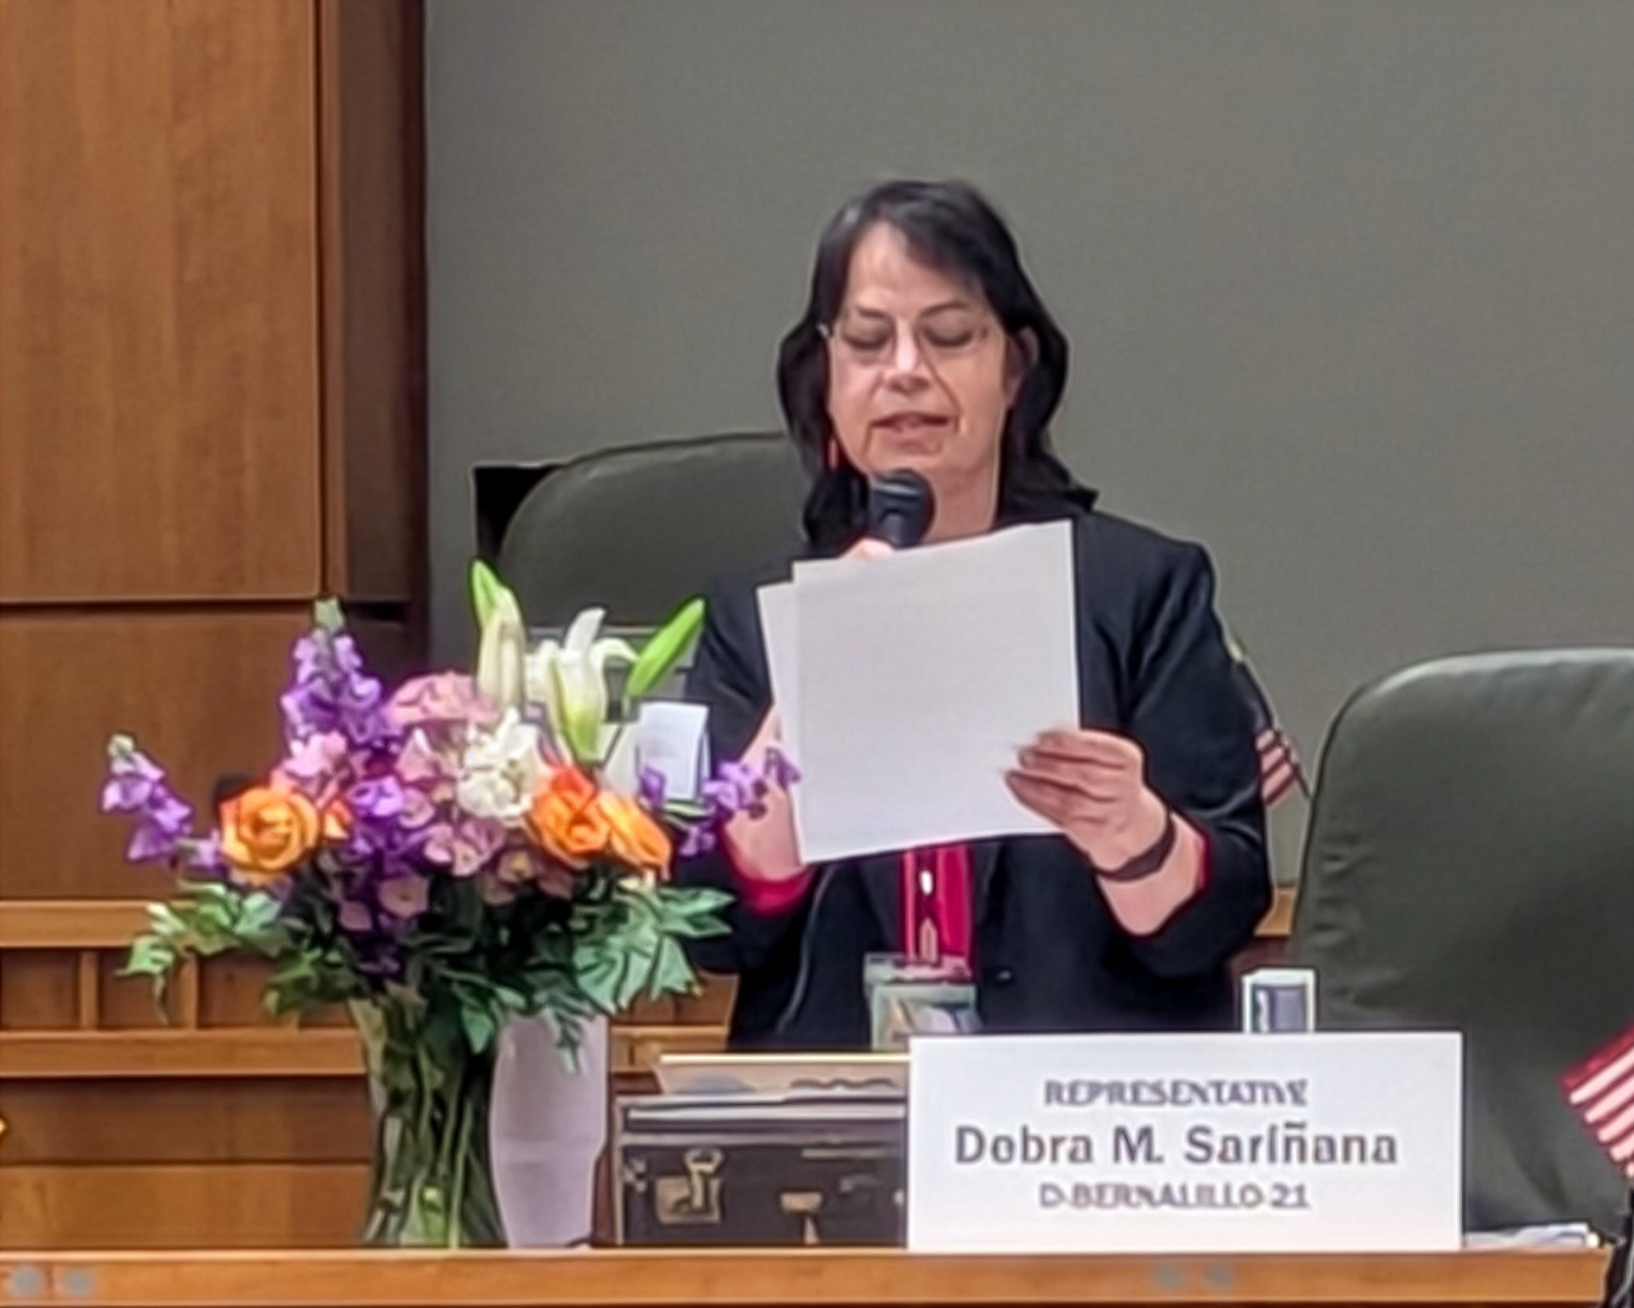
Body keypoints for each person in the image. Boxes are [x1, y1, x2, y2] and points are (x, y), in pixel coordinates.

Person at [679, 179, 1270, 1049]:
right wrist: (814, 692)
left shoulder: (1142, 590)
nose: (906, 371)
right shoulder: (752, 621)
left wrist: (1128, 830)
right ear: (826, 376)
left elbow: (1216, 923)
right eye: (869, 342)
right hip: (834, 1117)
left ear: (1015, 369)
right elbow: (710, 931)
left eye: (950, 337)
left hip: (1072, 1124)